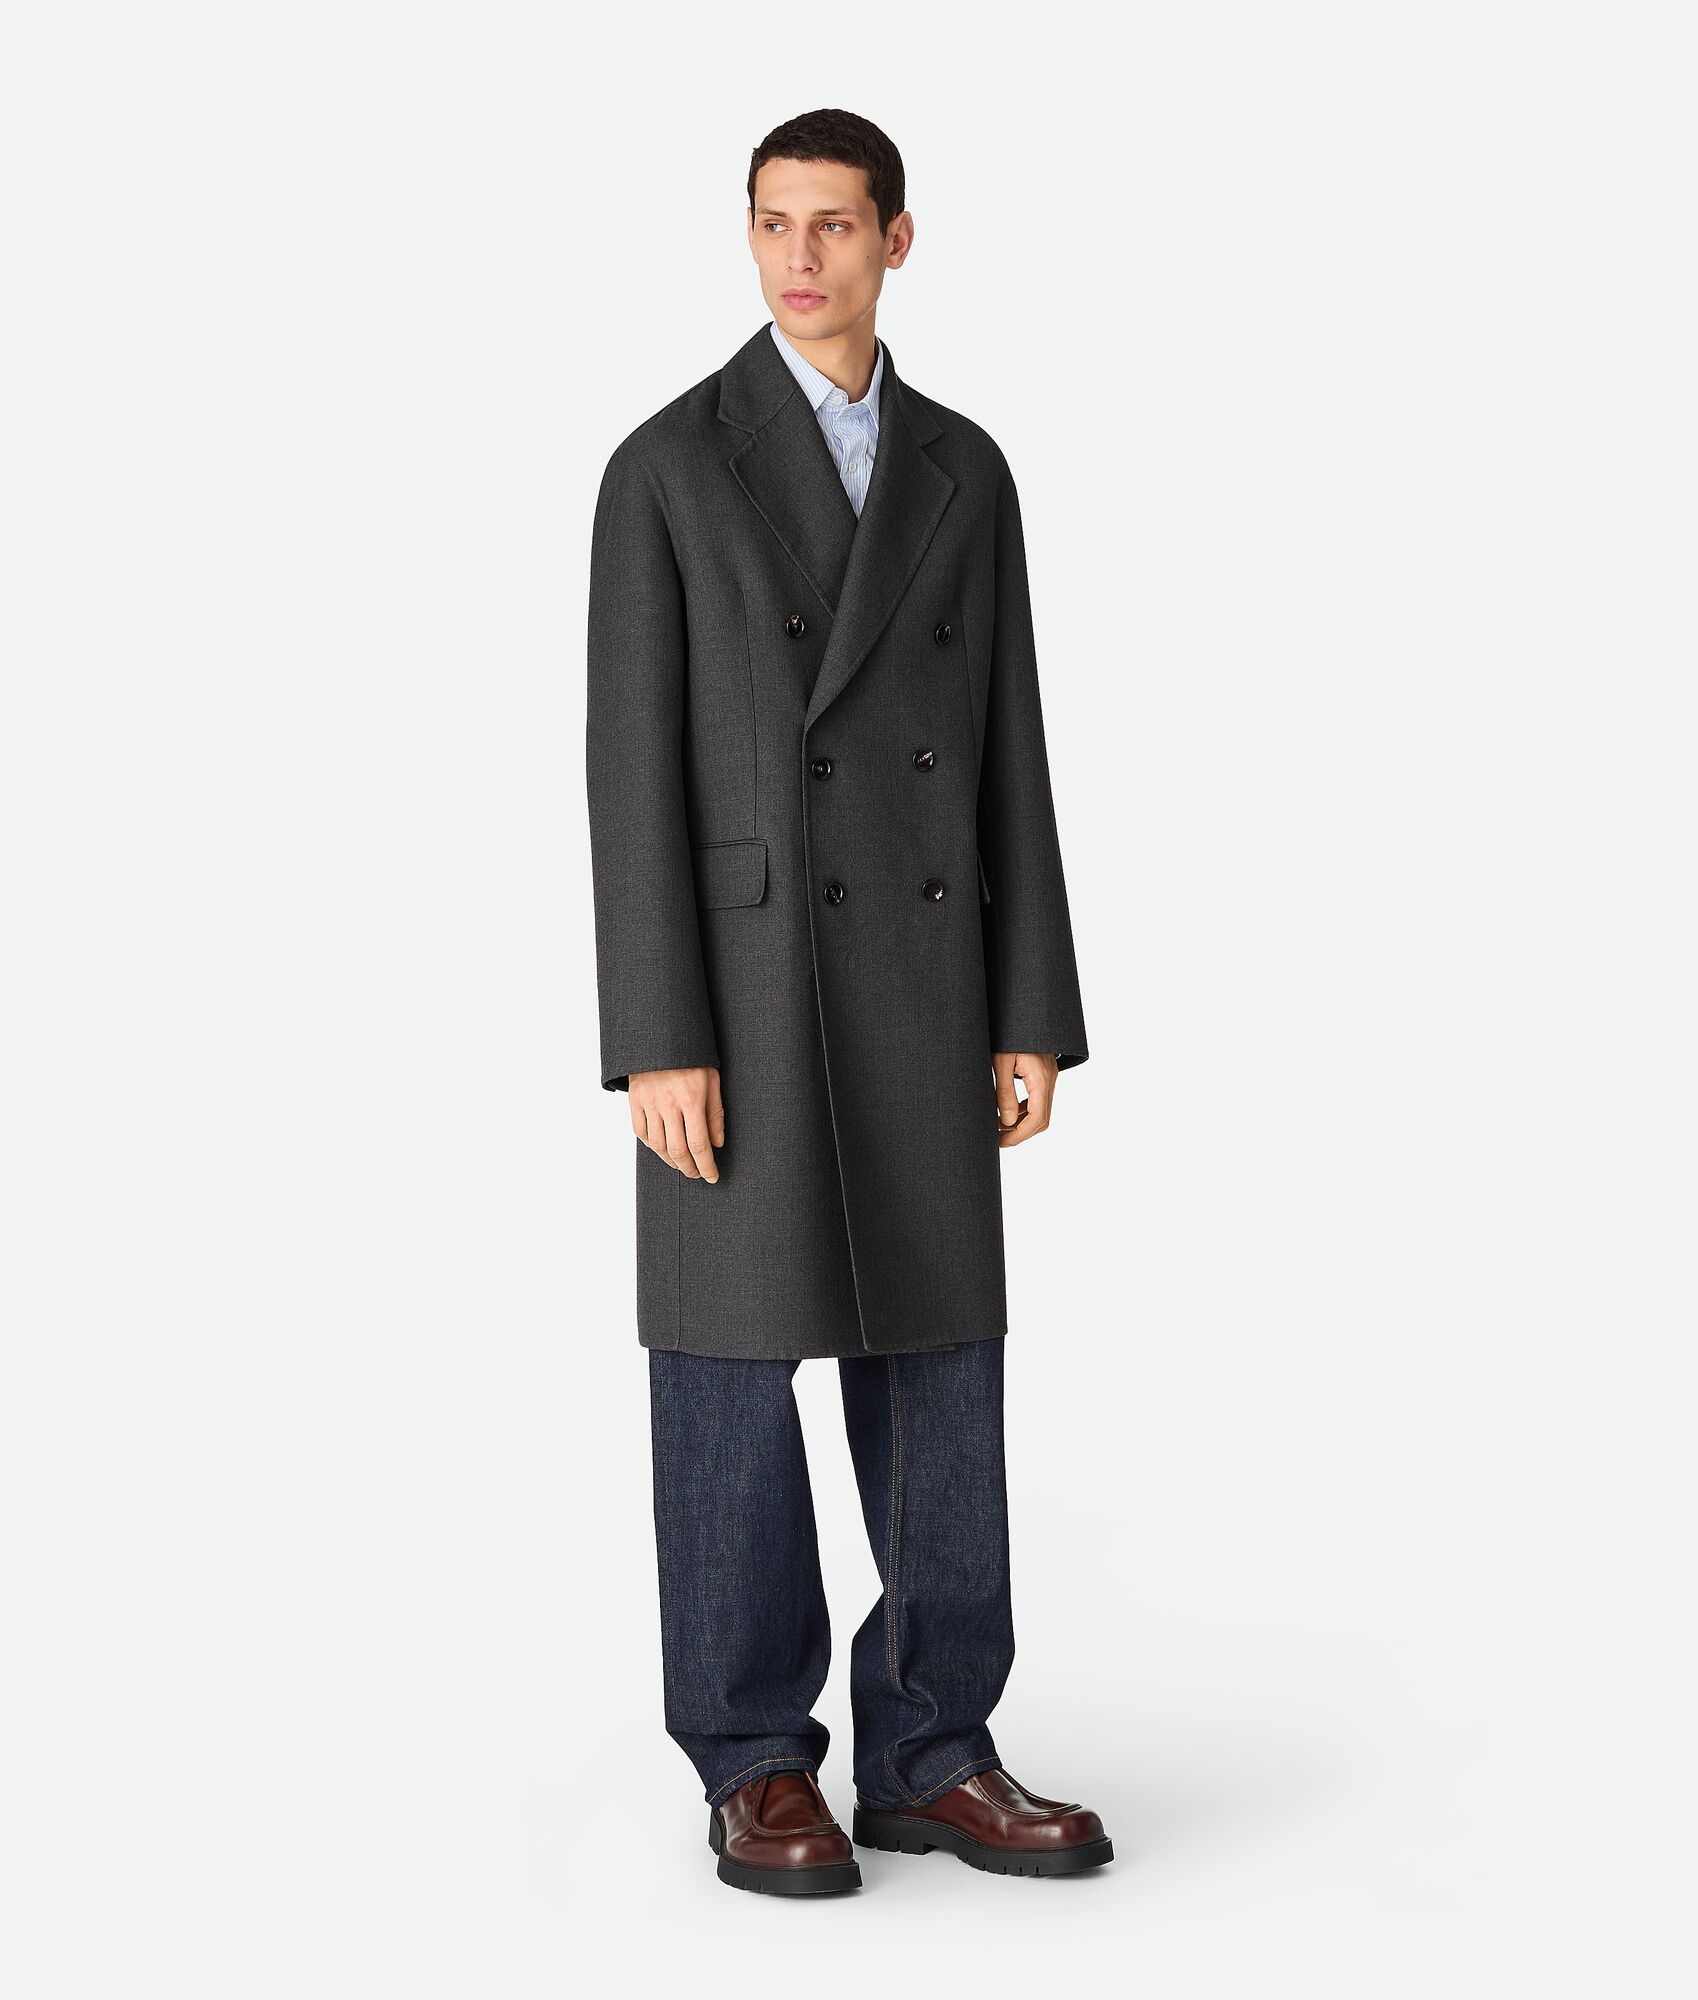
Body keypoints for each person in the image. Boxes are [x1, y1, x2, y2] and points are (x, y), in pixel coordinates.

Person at [585, 106, 1109, 1895]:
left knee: (940, 1360)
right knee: (729, 1369)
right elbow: (629, 772)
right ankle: (751, 1760)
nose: (797, 257)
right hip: (734, 991)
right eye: (770, 223)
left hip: (924, 970)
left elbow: (1009, 748)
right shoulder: (667, 466)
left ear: (897, 239)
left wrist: (1027, 1002)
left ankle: (934, 1749)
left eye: (831, 224)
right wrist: (656, 1035)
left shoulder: (967, 469)